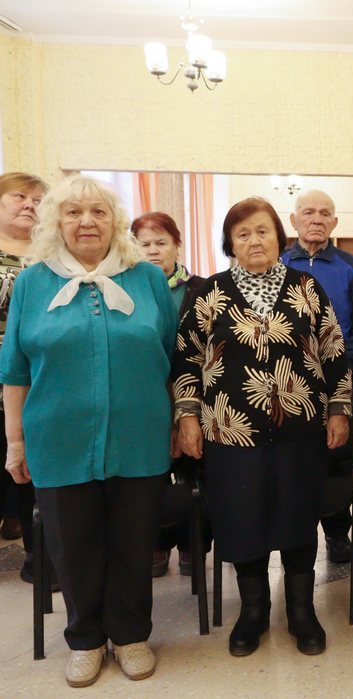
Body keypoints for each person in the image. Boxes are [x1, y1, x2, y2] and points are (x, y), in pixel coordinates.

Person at [0, 175, 178, 687]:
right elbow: (14, 370)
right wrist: (15, 442)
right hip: (56, 437)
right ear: (56, 221)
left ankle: (131, 635)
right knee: (72, 544)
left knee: (133, 540)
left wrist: (173, 419)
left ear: (114, 221)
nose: (86, 222)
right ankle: (85, 640)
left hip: (139, 433)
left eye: (98, 212)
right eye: (74, 212)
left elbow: (168, 355)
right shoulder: (33, 282)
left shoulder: (147, 279)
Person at [172, 197, 352, 658]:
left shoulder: (307, 287)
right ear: (230, 243)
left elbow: (333, 350)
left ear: (278, 236)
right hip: (229, 434)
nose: (254, 241)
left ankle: (301, 611)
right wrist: (187, 417)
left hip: (301, 431)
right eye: (243, 234)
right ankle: (253, 611)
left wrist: (339, 409)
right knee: (242, 519)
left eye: (262, 231)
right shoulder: (209, 293)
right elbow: (187, 359)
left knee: (298, 515)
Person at [281, 189, 353, 564]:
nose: (316, 219)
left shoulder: (351, 267)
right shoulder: (278, 262)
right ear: (294, 220)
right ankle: (295, 536)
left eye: (324, 213)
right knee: (294, 460)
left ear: (335, 222)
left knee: (337, 458)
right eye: (308, 212)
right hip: (288, 384)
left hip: (340, 381)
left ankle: (338, 534)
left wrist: (345, 365)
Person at [131, 211, 208, 578]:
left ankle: (194, 543)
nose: (152, 251)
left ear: (177, 245)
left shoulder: (201, 288)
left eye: (161, 243)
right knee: (152, 476)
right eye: (144, 244)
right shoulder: (127, 289)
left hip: (195, 394)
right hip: (147, 396)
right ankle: (156, 543)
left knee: (195, 471)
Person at [0, 172, 48, 586]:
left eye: (37, 199)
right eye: (20, 196)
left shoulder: (52, 255)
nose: (29, 204)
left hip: (38, 378)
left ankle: (42, 557)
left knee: (34, 471)